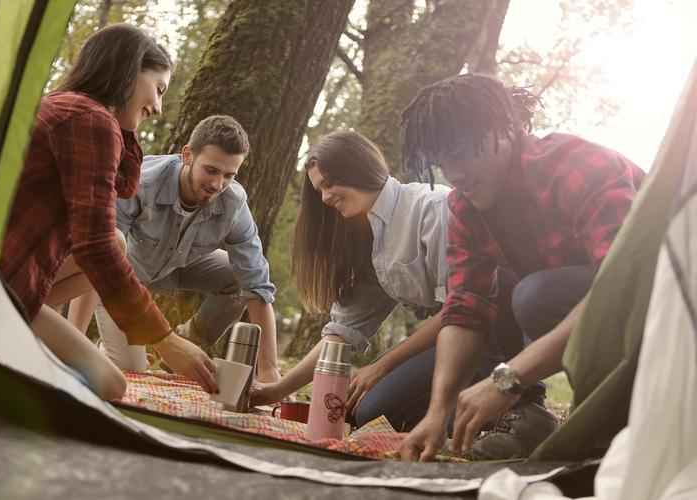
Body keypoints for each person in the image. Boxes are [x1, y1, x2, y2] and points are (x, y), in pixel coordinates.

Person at [398, 74, 644, 461]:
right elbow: (465, 311)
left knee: (535, 294)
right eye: (442, 161)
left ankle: (625, 414)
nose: (455, 173)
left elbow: (625, 284)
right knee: (511, 289)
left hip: (669, 302)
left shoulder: (578, 166)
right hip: (601, 310)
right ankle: (531, 417)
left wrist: (507, 380)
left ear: (506, 130)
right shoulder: (465, 208)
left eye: (462, 152)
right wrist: (437, 412)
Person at [0, 24, 218, 400]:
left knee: (119, 240)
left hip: (5, 269)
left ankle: (14, 337)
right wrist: (165, 340)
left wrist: (125, 122)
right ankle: (0, 357)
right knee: (110, 385)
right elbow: (93, 244)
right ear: (129, 71)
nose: (159, 106)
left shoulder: (71, 108)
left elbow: (121, 191)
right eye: (159, 88)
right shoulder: (91, 120)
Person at [251, 130, 455, 428]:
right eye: (319, 190)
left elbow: (460, 308)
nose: (324, 197)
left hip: (485, 333)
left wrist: (381, 366)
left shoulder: (432, 209)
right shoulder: (370, 240)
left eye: (328, 184)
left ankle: (504, 408)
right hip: (449, 335)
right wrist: (277, 391)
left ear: (356, 168)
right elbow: (342, 332)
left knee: (376, 410)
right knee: (359, 409)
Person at [68, 115, 281, 383]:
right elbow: (98, 254)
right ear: (188, 155)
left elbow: (258, 286)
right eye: (211, 170)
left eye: (229, 175)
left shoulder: (234, 204)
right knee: (132, 370)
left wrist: (270, 370)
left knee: (240, 276)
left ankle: (186, 343)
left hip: (178, 268)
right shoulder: (141, 182)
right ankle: (114, 349)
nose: (218, 184)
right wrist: (71, 340)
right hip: (125, 277)